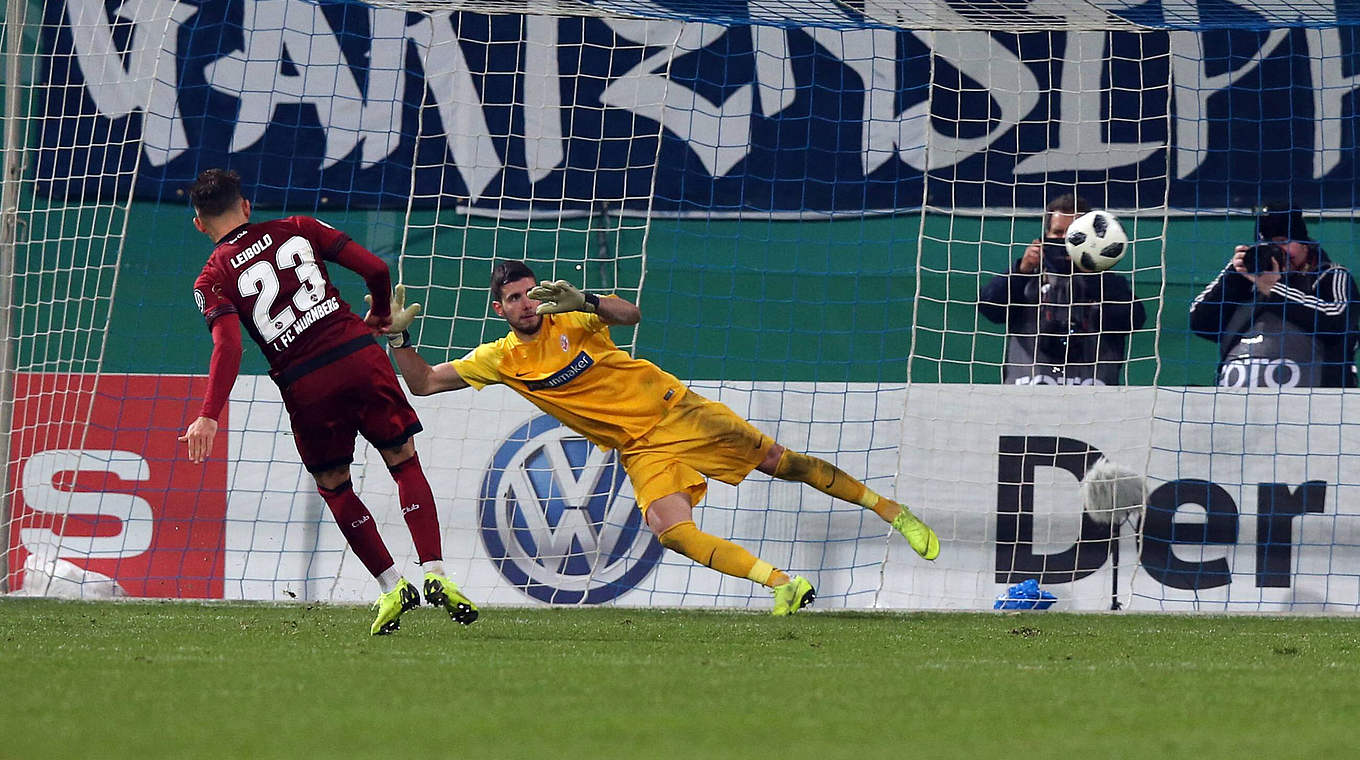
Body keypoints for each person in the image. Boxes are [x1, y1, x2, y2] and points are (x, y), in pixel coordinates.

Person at [379, 261, 940, 615]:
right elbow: (425, 384)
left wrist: (589, 302)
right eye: (516, 299)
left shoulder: (572, 319)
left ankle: (894, 511)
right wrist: (400, 336)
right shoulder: (499, 359)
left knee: (782, 463)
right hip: (640, 447)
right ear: (498, 308)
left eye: (531, 294)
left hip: (677, 412)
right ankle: (783, 584)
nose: (527, 304)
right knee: (670, 531)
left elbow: (633, 313)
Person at [177, 168, 477, 635]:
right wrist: (379, 313)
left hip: (305, 381)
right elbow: (378, 270)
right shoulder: (299, 226)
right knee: (402, 460)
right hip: (358, 355)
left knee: (335, 485)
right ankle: (435, 573)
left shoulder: (211, 276)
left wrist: (208, 416)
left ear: (199, 224)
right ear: (247, 206)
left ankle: (392, 585)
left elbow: (230, 347)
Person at [978, 193, 1146, 385]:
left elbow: (1133, 320)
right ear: (1043, 238)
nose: (1065, 241)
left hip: (1096, 400)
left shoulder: (1108, 284)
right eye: (1058, 233)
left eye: (1073, 234)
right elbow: (990, 309)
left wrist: (1094, 276)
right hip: (1026, 399)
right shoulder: (1026, 281)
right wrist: (1020, 271)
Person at [1189, 203, 1359, 388]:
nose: (1277, 251)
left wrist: (1274, 289)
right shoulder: (1247, 280)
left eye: (1284, 241)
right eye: (1268, 244)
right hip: (1235, 409)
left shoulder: (1331, 275)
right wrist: (1235, 274)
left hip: (1315, 408)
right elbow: (1200, 322)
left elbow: (1337, 322)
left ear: (1305, 244)